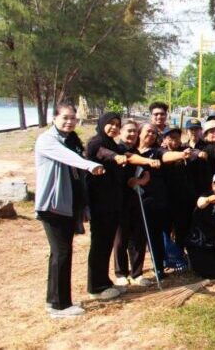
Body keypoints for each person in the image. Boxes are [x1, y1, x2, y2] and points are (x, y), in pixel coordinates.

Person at [35, 102, 105, 317]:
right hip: (53, 206)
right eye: (65, 117)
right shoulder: (47, 140)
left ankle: (54, 300)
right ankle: (59, 305)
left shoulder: (71, 140)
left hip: (67, 205)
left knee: (60, 253)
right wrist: (90, 165)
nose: (69, 122)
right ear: (54, 118)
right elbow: (68, 158)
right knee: (62, 253)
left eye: (73, 118)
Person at [135, 123, 191, 280]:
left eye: (154, 133)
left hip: (156, 200)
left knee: (156, 236)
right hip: (135, 200)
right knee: (136, 239)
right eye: (148, 132)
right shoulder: (131, 150)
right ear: (139, 133)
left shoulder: (156, 151)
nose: (151, 135)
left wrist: (181, 155)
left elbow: (166, 156)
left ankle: (159, 266)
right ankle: (132, 272)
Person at [85, 112, 130, 301]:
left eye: (117, 124)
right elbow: (103, 153)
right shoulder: (95, 142)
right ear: (102, 123)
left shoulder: (114, 144)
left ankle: (104, 281)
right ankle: (95, 287)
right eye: (110, 123)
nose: (114, 127)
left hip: (112, 202)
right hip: (99, 203)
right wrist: (116, 157)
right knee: (99, 244)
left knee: (106, 243)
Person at [113, 120, 158, 287]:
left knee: (138, 237)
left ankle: (137, 273)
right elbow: (131, 159)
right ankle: (120, 273)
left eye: (134, 132)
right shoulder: (118, 149)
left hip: (137, 199)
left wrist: (141, 181)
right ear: (121, 132)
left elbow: (146, 174)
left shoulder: (136, 150)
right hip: (119, 200)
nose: (132, 134)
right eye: (129, 131)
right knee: (121, 238)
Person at [160, 127, 195, 271]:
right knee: (165, 230)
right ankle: (165, 259)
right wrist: (181, 154)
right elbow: (165, 156)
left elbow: (194, 151)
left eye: (177, 137)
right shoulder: (160, 151)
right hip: (165, 199)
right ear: (164, 139)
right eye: (171, 137)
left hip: (182, 200)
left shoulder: (185, 149)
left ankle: (179, 257)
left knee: (181, 230)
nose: (174, 140)